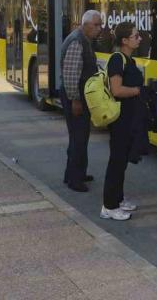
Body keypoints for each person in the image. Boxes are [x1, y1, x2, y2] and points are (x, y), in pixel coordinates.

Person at [100, 22, 146, 221]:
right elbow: (116, 90)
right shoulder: (117, 60)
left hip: (129, 118)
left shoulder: (129, 60)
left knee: (122, 161)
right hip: (120, 119)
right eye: (136, 36)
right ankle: (109, 206)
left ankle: (117, 199)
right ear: (125, 41)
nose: (140, 39)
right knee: (117, 161)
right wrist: (138, 91)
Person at [59, 10, 103, 192]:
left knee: (80, 136)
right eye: (97, 25)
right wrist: (75, 100)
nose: (100, 29)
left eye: (100, 24)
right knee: (78, 137)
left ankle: (74, 173)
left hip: (78, 96)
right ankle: (74, 180)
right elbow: (70, 75)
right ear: (85, 25)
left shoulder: (83, 39)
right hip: (75, 97)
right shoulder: (77, 41)